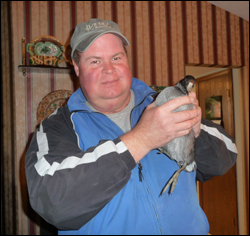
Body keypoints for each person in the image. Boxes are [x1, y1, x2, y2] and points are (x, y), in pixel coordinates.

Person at [25, 18, 237, 235]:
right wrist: (142, 138)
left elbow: (226, 156)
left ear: (127, 60)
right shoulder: (56, 128)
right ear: (77, 68)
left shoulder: (163, 104)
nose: (109, 69)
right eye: (95, 61)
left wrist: (195, 132)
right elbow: (51, 202)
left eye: (116, 57)